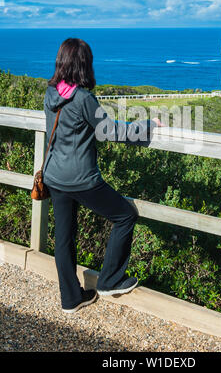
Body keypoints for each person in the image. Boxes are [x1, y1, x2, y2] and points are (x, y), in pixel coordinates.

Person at [43, 38, 164, 314]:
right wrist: (148, 125)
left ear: (61, 62)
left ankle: (71, 299)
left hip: (55, 176)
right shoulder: (83, 98)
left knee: (63, 237)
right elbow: (112, 132)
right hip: (81, 179)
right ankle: (110, 279)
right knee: (125, 215)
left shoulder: (50, 93)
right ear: (84, 64)